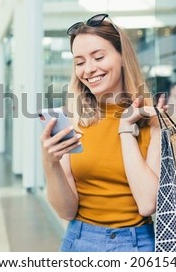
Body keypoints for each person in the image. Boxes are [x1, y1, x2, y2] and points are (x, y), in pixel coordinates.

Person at [40, 13, 165, 252]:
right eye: (79, 62)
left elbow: (147, 204)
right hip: (78, 241)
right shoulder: (74, 121)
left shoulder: (153, 120)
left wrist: (126, 129)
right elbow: (66, 210)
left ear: (121, 57)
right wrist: (50, 163)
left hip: (137, 245)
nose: (89, 69)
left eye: (98, 57)